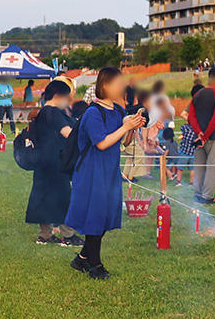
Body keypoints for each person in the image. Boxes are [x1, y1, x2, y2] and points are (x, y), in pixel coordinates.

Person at [64, 66, 150, 280]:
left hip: (109, 170)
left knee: (103, 217)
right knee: (95, 216)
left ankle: (82, 259)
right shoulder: (93, 112)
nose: (122, 87)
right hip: (91, 171)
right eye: (117, 83)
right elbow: (101, 143)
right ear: (105, 86)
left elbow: (124, 141)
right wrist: (124, 126)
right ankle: (95, 264)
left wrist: (133, 126)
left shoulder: (119, 111)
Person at [27, 80, 81, 245]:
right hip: (56, 163)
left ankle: (45, 235)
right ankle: (68, 235)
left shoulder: (43, 112)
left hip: (43, 163)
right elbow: (69, 134)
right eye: (67, 97)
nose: (68, 101)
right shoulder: (53, 113)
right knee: (64, 198)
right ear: (58, 96)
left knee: (43, 197)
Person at [190, 67, 215, 204]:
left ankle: (197, 194)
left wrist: (198, 133)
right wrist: (205, 136)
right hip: (214, 137)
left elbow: (191, 116)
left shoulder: (198, 94)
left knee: (199, 166)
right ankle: (207, 196)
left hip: (199, 138)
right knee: (213, 167)